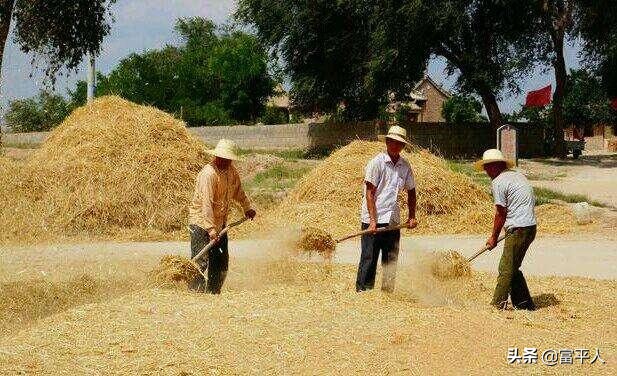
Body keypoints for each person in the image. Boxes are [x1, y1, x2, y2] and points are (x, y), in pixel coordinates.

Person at [188, 139, 256, 294]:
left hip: (220, 223)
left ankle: (213, 292)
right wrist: (211, 230)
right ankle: (195, 292)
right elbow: (206, 204)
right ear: (217, 156)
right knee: (201, 261)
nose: (225, 160)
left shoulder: (231, 172)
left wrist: (247, 208)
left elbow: (239, 192)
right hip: (200, 223)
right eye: (222, 158)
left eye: (228, 158)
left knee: (221, 262)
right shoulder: (208, 174)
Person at [356, 125, 418, 292]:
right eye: (393, 141)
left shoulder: (405, 166)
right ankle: (363, 293)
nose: (396, 145)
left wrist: (412, 216)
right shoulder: (377, 163)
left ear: (403, 146)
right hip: (373, 219)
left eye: (400, 143)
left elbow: (411, 191)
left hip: (392, 220)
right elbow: (370, 193)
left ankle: (387, 295)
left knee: (390, 259)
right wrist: (373, 222)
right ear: (387, 142)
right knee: (369, 258)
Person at [475, 149, 536, 310]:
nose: (486, 171)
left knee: (505, 268)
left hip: (519, 228)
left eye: (488, 167)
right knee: (513, 267)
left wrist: (493, 237)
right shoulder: (517, 176)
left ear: (496, 165)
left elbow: (501, 213)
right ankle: (524, 304)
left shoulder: (499, 182)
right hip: (530, 227)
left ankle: (496, 305)